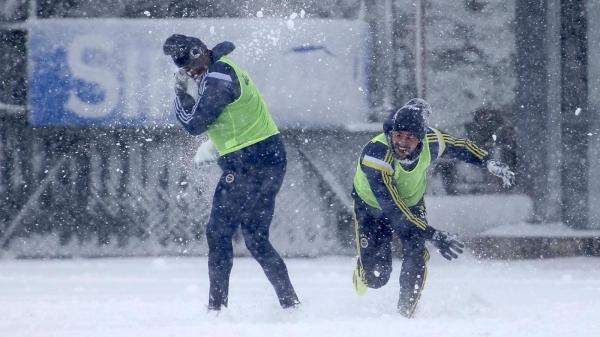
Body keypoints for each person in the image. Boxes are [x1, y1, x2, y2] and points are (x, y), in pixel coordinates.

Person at [162, 34, 300, 311]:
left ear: (200, 51)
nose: (189, 70)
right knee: (256, 239)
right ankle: (291, 305)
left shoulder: (218, 77)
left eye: (190, 63)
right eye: (183, 67)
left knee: (217, 232)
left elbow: (194, 123)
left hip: (248, 163)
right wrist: (217, 144)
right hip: (269, 157)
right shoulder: (222, 68)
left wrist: (179, 95)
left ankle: (216, 310)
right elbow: (238, 119)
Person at [351, 98, 515, 317]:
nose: (401, 143)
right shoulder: (377, 154)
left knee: (416, 252)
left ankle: (405, 314)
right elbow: (394, 211)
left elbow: (461, 147)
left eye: (410, 138)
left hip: (411, 202)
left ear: (421, 138)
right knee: (376, 278)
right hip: (372, 207)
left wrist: (488, 162)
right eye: (398, 135)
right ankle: (363, 270)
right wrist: (433, 234)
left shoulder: (432, 140)